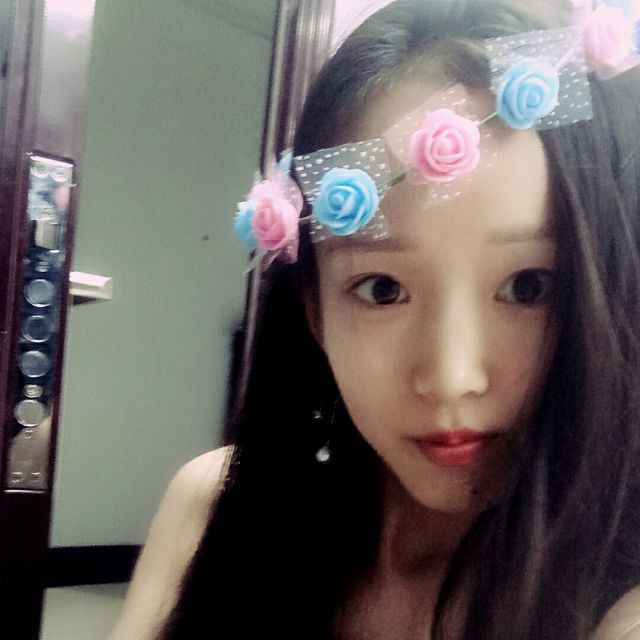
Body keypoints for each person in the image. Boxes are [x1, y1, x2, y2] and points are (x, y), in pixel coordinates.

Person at [108, 0, 640, 638]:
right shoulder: (209, 507)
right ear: (314, 309)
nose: (450, 378)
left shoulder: (615, 605)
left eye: (528, 286)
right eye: (383, 289)